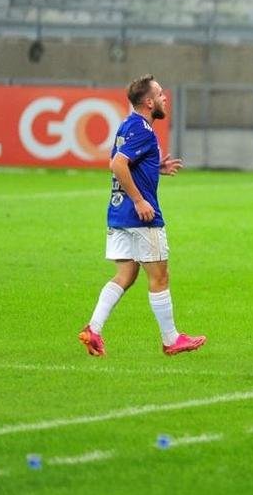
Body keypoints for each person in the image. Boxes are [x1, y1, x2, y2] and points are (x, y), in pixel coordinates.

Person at [79, 76, 205, 357]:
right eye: (160, 94)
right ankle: (172, 339)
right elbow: (117, 164)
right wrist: (139, 200)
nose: (164, 98)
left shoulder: (128, 125)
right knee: (160, 276)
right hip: (139, 217)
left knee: (126, 273)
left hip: (117, 214)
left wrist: (153, 167)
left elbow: (125, 163)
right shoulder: (143, 130)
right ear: (149, 102)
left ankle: (93, 329)